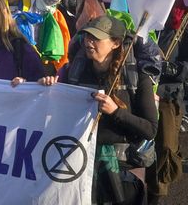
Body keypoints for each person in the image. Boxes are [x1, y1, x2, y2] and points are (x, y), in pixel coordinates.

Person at [40, 16, 158, 205]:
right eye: (87, 37)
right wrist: (46, 88)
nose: (89, 42)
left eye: (96, 38)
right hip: (79, 163)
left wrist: (116, 112)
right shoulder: (74, 73)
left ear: (115, 43)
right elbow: (54, 111)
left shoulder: (137, 78)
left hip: (121, 168)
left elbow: (150, 129)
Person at [146, 0, 188, 204]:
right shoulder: (138, 14)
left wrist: (174, 70)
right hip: (138, 92)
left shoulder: (183, 22)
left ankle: (155, 197)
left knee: (164, 152)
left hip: (166, 98)